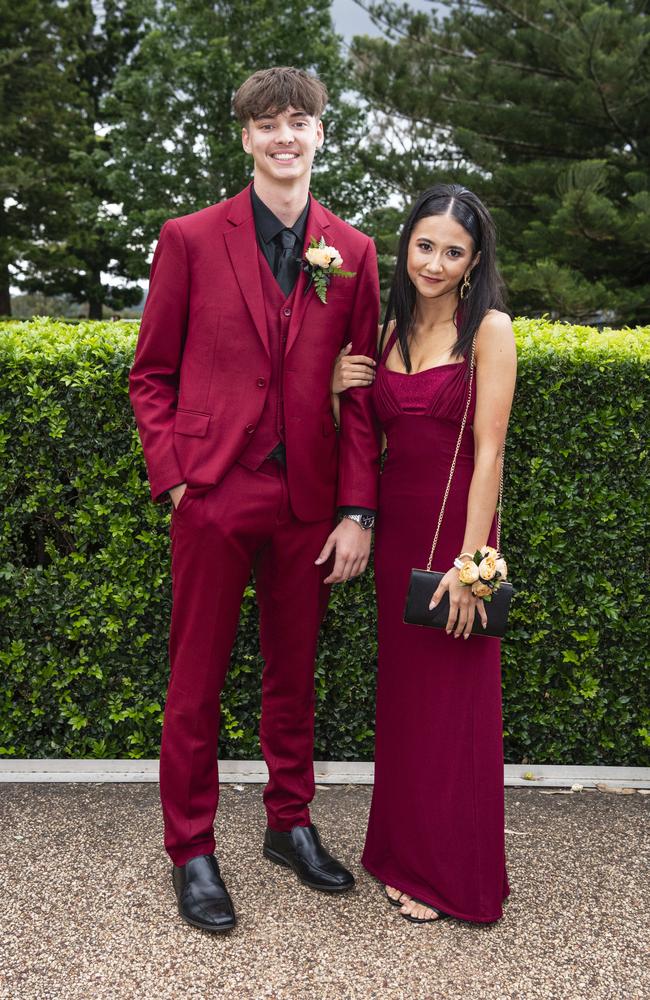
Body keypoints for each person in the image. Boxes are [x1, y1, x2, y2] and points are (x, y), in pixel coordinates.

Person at [129, 66, 380, 933]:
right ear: (244, 138)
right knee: (195, 679)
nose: (283, 136)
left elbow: (362, 392)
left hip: (310, 500)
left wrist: (358, 511)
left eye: (298, 121)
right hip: (217, 492)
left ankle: (289, 824)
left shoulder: (352, 251)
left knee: (294, 675)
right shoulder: (191, 238)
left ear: (319, 133)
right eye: (266, 123)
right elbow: (151, 372)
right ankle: (191, 848)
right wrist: (177, 476)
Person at [331, 184, 517, 924]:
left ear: (474, 262)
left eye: (453, 251)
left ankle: (452, 875)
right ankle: (402, 854)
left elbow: (491, 450)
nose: (435, 262)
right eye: (424, 245)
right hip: (397, 534)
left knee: (455, 705)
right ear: (405, 246)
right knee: (407, 704)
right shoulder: (386, 331)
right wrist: (337, 387)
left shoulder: (490, 329)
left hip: (458, 537)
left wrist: (472, 568)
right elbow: (370, 438)